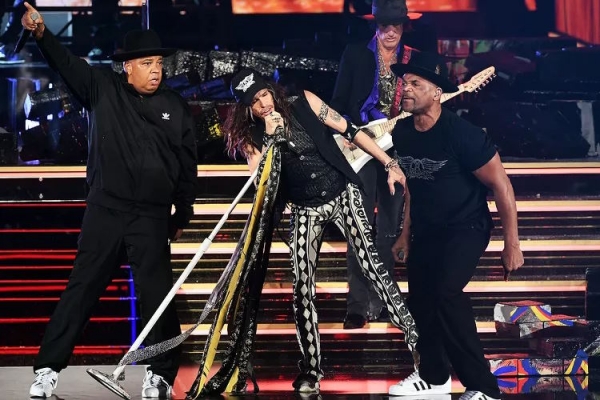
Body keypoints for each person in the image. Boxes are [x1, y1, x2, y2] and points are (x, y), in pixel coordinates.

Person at [185, 68, 419, 397]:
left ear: (272, 90)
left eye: (264, 94)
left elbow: (351, 130)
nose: (263, 104)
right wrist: (271, 138)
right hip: (304, 208)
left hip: (342, 193)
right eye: (254, 102)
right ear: (246, 109)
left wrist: (389, 164)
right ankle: (311, 370)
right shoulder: (251, 138)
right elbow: (263, 184)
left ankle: (418, 344)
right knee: (301, 289)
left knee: (374, 270)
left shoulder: (304, 102)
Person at [21, 2, 198, 399]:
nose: (156, 70)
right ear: (127, 67)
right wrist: (42, 34)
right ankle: (47, 370)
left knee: (157, 298)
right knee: (82, 289)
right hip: (106, 210)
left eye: (159, 63)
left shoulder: (175, 106)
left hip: (151, 217)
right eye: (147, 63)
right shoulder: (102, 88)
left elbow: (188, 164)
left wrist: (183, 211)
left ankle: (160, 375)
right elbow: (67, 64)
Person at [386, 51, 524, 400]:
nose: (406, 89)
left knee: (446, 294)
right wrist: (405, 233)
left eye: (415, 83)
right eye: (404, 83)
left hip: (466, 226)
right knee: (421, 301)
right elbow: (414, 187)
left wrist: (512, 244)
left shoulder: (462, 134)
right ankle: (433, 378)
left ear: (437, 93)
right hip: (427, 229)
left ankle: (483, 387)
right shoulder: (403, 133)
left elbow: (502, 186)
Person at [330, 0, 420, 329]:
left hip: (398, 152)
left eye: (397, 25)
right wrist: (347, 133)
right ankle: (356, 305)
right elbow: (338, 103)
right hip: (361, 147)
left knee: (389, 229)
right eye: (385, 25)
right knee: (360, 225)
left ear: (404, 25)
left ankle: (383, 301)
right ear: (376, 25)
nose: (391, 31)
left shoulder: (413, 60)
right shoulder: (356, 55)